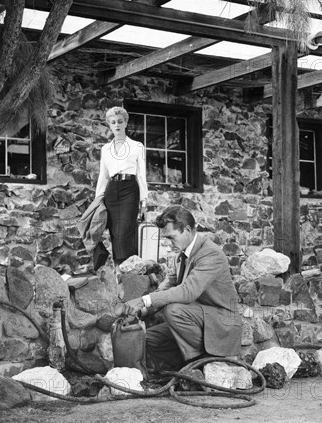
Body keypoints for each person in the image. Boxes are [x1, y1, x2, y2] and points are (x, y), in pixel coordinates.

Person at [124, 205, 242, 371]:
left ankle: (204, 362)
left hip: (220, 322)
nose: (169, 243)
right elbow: (165, 289)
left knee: (173, 310)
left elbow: (187, 292)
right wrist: (141, 311)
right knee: (144, 338)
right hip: (197, 319)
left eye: (171, 238)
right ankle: (181, 367)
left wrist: (143, 300)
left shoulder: (210, 253)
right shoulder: (181, 256)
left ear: (187, 230)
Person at [95, 107, 148, 264]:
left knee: (125, 230)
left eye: (120, 121)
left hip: (129, 190)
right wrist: (98, 198)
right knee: (115, 233)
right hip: (111, 191)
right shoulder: (105, 149)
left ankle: (132, 269)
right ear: (109, 126)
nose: (117, 125)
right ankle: (120, 271)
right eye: (113, 122)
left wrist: (144, 202)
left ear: (126, 123)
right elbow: (103, 176)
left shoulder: (137, 146)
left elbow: (141, 174)